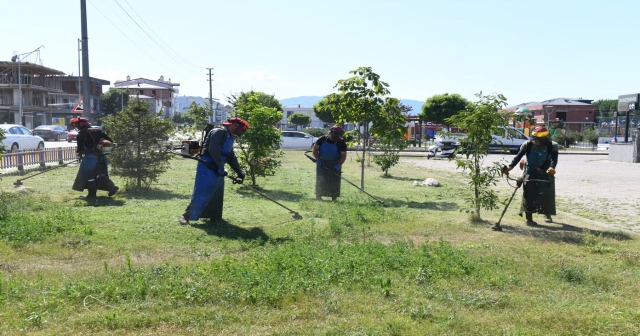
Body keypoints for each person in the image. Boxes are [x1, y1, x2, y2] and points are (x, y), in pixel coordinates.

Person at [179, 117, 249, 225]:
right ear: (234, 125)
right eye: (241, 129)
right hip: (207, 165)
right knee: (203, 191)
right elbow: (213, 149)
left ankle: (214, 217)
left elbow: (230, 156)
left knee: (216, 193)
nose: (241, 132)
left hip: (218, 167)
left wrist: (239, 171)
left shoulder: (229, 136)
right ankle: (186, 215)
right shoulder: (218, 132)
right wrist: (220, 167)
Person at [503, 126, 559, 225]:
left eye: (542, 138)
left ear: (546, 137)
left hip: (546, 173)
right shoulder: (527, 145)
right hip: (529, 173)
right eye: (538, 138)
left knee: (546, 194)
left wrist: (552, 168)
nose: (540, 140)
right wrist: (510, 167)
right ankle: (529, 219)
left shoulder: (552, 145)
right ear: (534, 137)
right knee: (528, 195)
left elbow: (554, 158)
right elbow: (518, 156)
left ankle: (547, 214)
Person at [70, 117, 119, 198]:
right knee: (101, 175)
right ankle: (111, 187)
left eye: (76, 124)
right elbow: (110, 141)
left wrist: (80, 153)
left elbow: (80, 148)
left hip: (90, 158)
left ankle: (92, 194)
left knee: (89, 176)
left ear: (81, 124)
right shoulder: (98, 130)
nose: (76, 126)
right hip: (102, 157)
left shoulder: (82, 133)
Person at [312, 125, 347, 201]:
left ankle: (334, 197)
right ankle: (319, 196)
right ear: (330, 133)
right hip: (322, 162)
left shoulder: (341, 143)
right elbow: (315, 150)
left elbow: (343, 156)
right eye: (336, 134)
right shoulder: (321, 139)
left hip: (335, 163)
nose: (338, 136)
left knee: (334, 181)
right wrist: (318, 160)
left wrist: (338, 165)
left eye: (339, 135)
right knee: (321, 179)